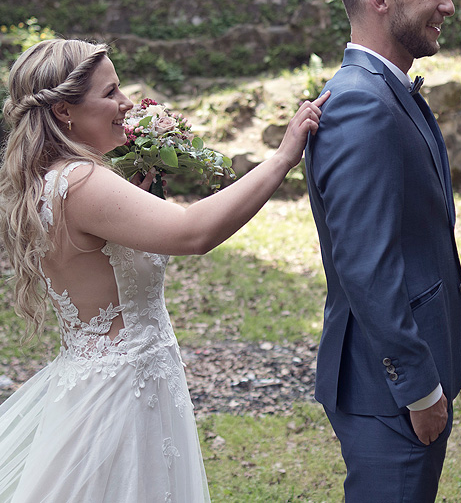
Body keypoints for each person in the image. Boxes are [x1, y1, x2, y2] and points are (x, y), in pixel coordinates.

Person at [0, 38, 327, 501]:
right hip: (123, 397)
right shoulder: (82, 182)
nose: (127, 102)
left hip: (105, 383)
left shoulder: (53, 178)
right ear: (64, 112)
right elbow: (192, 232)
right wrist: (281, 158)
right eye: (110, 93)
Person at [305, 0, 461, 502]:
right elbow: (365, 264)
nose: (448, 5)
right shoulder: (362, 105)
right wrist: (418, 388)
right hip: (388, 393)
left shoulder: (384, 89)